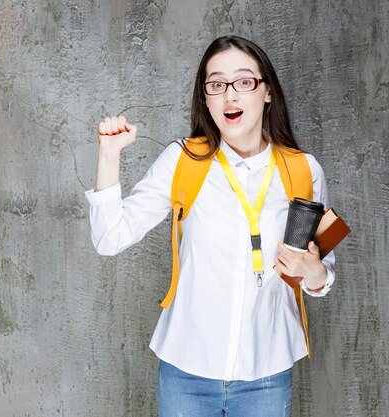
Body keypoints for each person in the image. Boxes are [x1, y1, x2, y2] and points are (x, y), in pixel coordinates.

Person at [85, 36, 335, 417]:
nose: (229, 96)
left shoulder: (305, 170)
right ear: (205, 98)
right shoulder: (183, 161)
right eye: (216, 84)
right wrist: (108, 155)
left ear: (267, 92)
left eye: (243, 82)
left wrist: (314, 271)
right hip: (186, 374)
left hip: (266, 374)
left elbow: (321, 277)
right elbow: (109, 238)